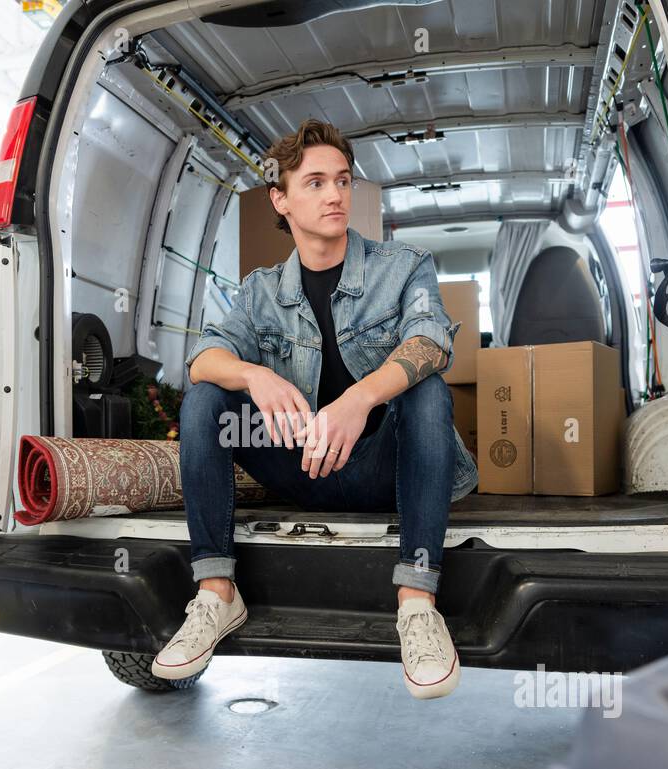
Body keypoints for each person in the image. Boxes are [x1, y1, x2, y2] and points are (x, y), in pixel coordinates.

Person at [151, 118, 478, 699]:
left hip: (386, 471)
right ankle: (216, 593)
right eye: (316, 183)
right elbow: (201, 359)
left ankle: (418, 603)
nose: (335, 195)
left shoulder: (403, 267)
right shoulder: (259, 292)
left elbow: (432, 342)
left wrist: (357, 400)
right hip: (299, 467)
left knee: (427, 388)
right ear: (280, 198)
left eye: (344, 181)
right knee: (206, 400)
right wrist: (253, 375)